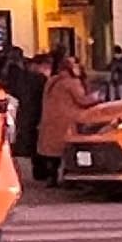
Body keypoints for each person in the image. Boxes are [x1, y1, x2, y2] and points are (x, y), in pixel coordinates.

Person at [31, 44, 89, 185]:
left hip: (50, 121)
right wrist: (98, 98)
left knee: (53, 153)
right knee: (68, 149)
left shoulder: (52, 81)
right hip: (68, 121)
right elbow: (83, 100)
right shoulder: (72, 83)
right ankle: (71, 178)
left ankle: (52, 177)